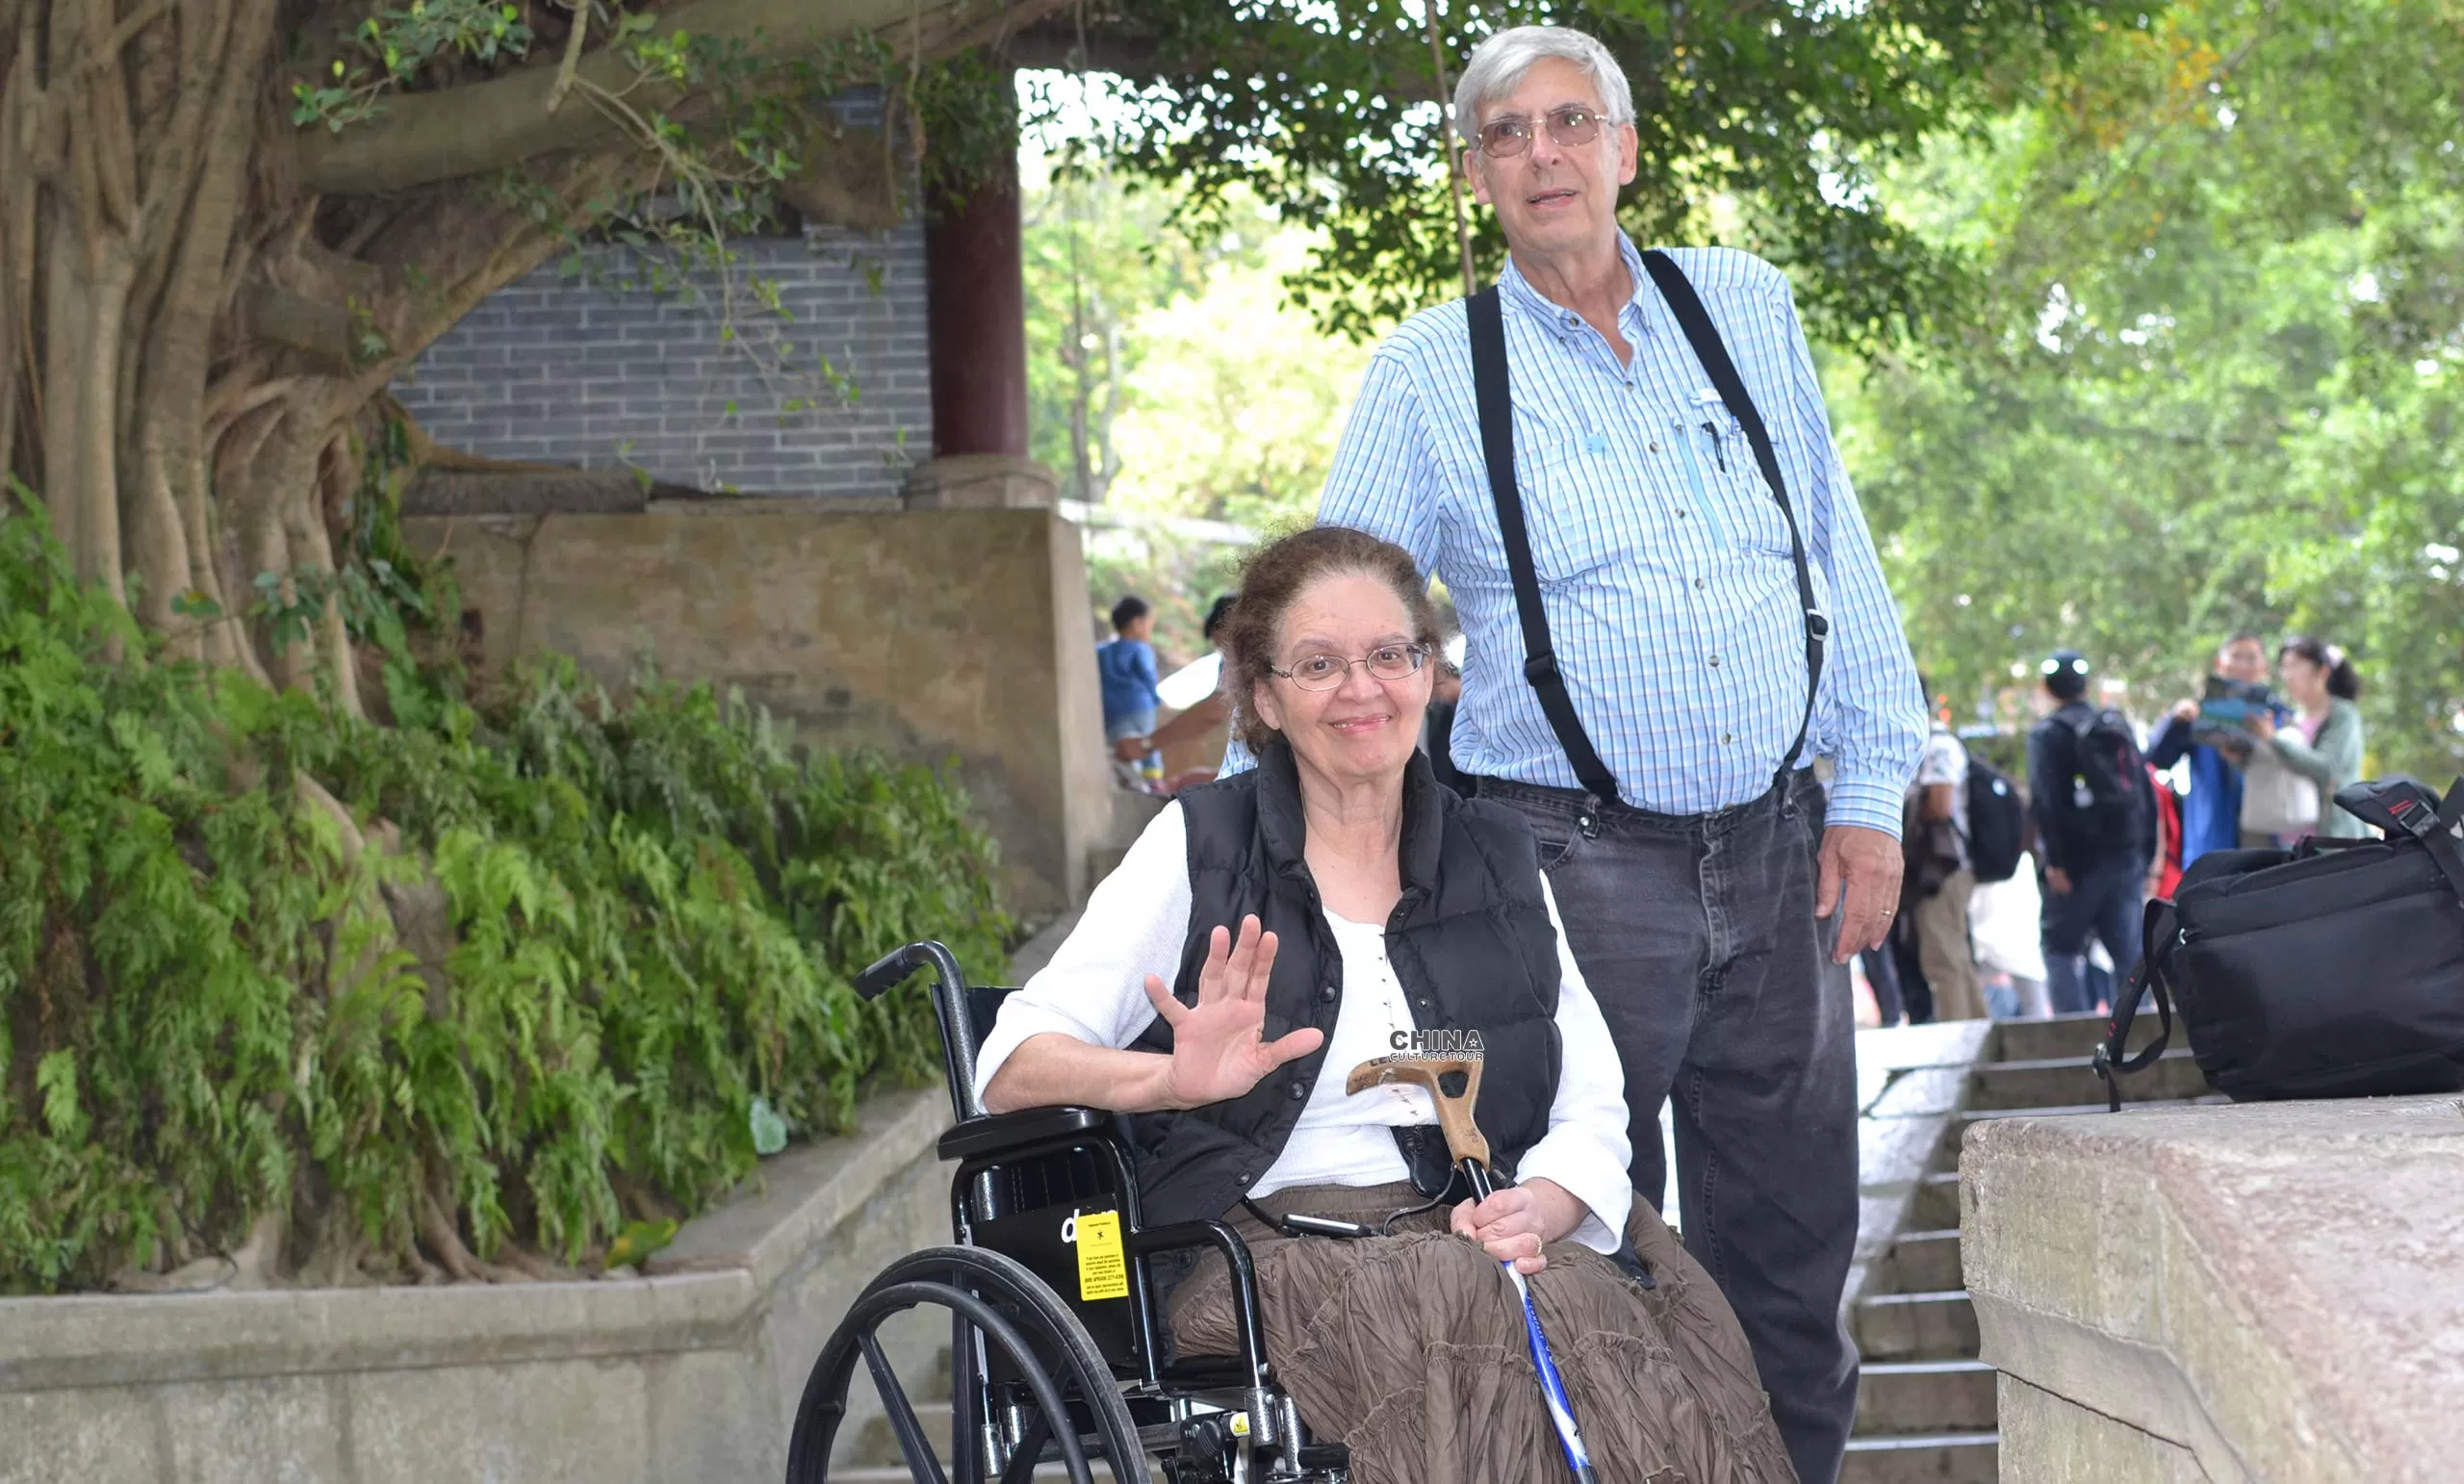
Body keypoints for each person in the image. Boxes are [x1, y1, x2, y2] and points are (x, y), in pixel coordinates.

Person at [1211, 27, 1926, 1477]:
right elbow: (1339, 604)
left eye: (1570, 123)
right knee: (1589, 1242)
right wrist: (1263, 807)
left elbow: (1832, 552)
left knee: (1795, 1250)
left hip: (1781, 848)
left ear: (1625, 148)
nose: (1543, 154)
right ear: (1476, 172)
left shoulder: (1744, 305)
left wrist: (1869, 793)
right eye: (1507, 135)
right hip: (1569, 863)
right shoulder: (1430, 374)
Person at [977, 527, 1796, 1484]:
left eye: (1388, 656)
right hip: (1256, 1248)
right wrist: (1168, 1077)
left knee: (1648, 1314)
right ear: (1267, 698)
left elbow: (1589, 1099)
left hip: (1470, 1227)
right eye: (1318, 664)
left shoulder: (1492, 854)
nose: (1360, 690)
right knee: (1453, 1304)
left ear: (1426, 671)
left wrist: (1546, 1200)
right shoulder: (1199, 848)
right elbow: (1009, 1064)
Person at [2025, 651, 2157, 1015]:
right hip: (2125, 857)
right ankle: (2139, 1036)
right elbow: (2145, 795)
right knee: (2128, 953)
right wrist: (2145, 856)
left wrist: (2056, 862)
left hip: (2075, 864)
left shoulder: (2047, 735)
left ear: (2046, 688)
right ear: (2086, 686)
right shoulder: (2115, 727)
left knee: (2061, 950)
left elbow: (2046, 801)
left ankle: (2072, 1040)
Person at [2143, 631, 2269, 866]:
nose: (2242, 665)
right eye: (2235, 657)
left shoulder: (2278, 718)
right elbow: (2158, 759)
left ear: (2264, 666)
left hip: (2265, 843)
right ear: (2219, 664)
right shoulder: (2198, 715)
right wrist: (2174, 722)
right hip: (2210, 844)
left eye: (2251, 658)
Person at [1904, 685, 1984, 1020]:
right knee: (1954, 958)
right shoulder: (1929, 743)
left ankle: (1960, 1049)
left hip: (1942, 867)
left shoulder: (1935, 746)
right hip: (1939, 867)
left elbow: (1940, 804)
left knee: (1944, 961)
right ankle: (1979, 1037)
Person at [2249, 637, 2367, 840]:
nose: (2287, 676)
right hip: (2291, 839)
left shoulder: (2343, 715)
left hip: (2332, 838)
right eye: (2284, 667)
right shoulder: (2291, 718)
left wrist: (2273, 741)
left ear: (2322, 671)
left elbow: (2325, 768)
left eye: (2294, 666)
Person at [1098, 596, 1164, 787]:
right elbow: (1148, 676)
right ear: (1136, 623)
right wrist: (1156, 699)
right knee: (1148, 743)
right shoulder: (1140, 649)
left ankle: (1130, 782)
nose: (1149, 630)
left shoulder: (1100, 651)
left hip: (1110, 711)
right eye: (1149, 624)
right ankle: (1154, 782)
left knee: (1120, 747)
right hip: (1139, 707)